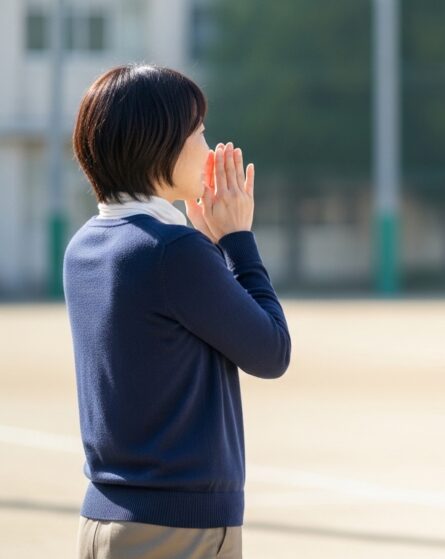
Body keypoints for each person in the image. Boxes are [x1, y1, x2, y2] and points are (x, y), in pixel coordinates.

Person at [64, 65, 291, 559]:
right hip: (175, 529)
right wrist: (237, 242)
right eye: (199, 133)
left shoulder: (86, 246)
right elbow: (271, 351)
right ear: (159, 145)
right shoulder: (173, 252)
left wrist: (207, 246)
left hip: (105, 519)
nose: (209, 151)